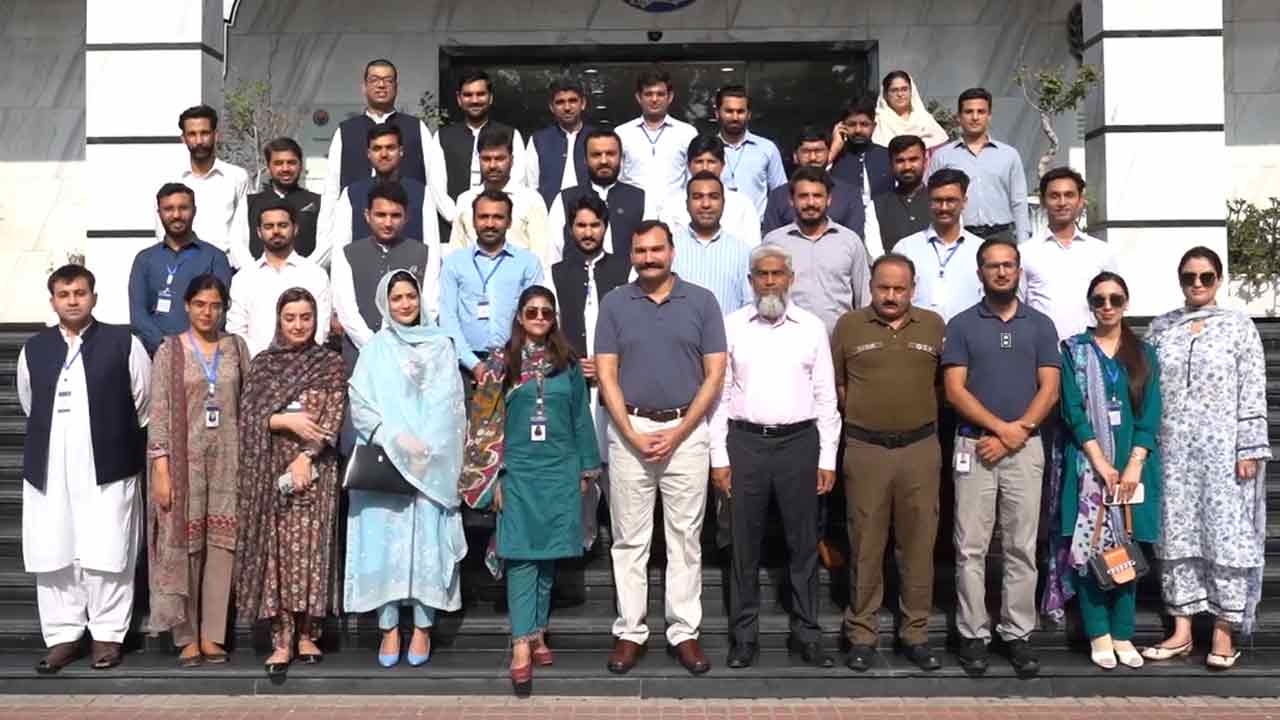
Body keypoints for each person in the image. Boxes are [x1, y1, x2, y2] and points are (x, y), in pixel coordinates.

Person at [596, 221, 727, 676]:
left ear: (672, 252)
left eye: (656, 250)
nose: (649, 258)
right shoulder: (615, 302)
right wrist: (631, 434)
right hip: (630, 428)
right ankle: (630, 631)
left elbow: (715, 373)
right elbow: (607, 374)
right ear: (631, 255)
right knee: (629, 539)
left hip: (686, 431)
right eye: (640, 251)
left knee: (685, 538)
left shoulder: (702, 301)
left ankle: (684, 631)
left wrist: (680, 430)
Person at [1142, 246, 1271, 670]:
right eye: (1189, 277)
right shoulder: (1161, 328)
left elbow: (1252, 389)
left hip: (1223, 452)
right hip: (1173, 450)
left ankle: (1223, 631)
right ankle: (1181, 631)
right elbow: (1146, 388)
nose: (1197, 284)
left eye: (1206, 276)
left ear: (1219, 279)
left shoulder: (1239, 327)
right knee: (1175, 536)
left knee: (1226, 536)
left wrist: (1249, 447)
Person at [710, 244, 838, 670]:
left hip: (799, 443)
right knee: (743, 546)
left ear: (790, 278)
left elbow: (826, 396)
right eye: (761, 275)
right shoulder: (731, 326)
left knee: (802, 544)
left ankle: (807, 634)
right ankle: (744, 638)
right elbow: (719, 397)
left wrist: (827, 457)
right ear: (750, 281)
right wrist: (719, 456)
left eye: (777, 274)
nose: (769, 282)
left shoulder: (812, 327)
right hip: (745, 443)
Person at [19, 265, 150, 674]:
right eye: (64, 294)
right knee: (54, 549)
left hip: (108, 464)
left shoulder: (124, 343)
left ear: (94, 297)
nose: (72, 300)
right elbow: (28, 400)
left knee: (108, 549)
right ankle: (63, 635)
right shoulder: (34, 348)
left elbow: (143, 401)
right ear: (53, 301)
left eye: (80, 292)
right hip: (50, 465)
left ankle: (107, 634)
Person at [473, 287, 601, 695]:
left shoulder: (567, 364)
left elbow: (581, 418)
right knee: (521, 556)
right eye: (532, 311)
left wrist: (587, 468)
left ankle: (539, 632)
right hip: (518, 473)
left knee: (548, 558)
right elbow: (483, 424)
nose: (540, 318)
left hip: (560, 471)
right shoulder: (501, 362)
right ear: (519, 316)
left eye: (547, 312)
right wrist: (492, 477)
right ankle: (520, 644)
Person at [942, 238, 1060, 678]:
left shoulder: (1040, 325)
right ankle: (974, 633)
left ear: (1019, 270)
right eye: (993, 266)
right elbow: (955, 390)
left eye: (1009, 265)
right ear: (980, 273)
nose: (1002, 272)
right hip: (974, 446)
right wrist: (998, 430)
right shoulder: (961, 325)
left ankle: (1017, 633)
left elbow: (1049, 388)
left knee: (1021, 546)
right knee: (970, 547)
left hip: (1025, 447)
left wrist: (1015, 433)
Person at [344, 270, 467, 669]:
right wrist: (396, 439)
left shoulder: (441, 345)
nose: (404, 304)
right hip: (387, 461)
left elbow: (451, 405)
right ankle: (389, 627)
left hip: (431, 463)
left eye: (410, 296)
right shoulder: (375, 349)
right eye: (396, 297)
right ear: (385, 302)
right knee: (386, 545)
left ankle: (423, 626)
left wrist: (426, 446)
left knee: (426, 543)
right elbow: (360, 403)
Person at [1042, 271, 1161, 670]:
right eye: (1099, 300)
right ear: (1090, 305)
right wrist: (1100, 462)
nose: (1107, 307)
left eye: (1115, 299)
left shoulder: (1144, 354)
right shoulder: (1073, 351)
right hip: (1087, 467)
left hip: (1133, 467)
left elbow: (1150, 413)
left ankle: (1123, 633)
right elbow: (1073, 411)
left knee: (1127, 547)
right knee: (1088, 549)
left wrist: (1133, 465)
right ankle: (1099, 634)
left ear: (1126, 303)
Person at [832, 253, 945, 673]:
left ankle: (915, 633)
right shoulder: (849, 326)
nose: (891, 296)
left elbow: (943, 385)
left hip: (920, 448)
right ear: (871, 287)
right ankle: (862, 634)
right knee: (865, 544)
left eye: (900, 288)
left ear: (913, 289)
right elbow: (838, 384)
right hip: (866, 450)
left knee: (918, 545)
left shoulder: (933, 325)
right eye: (883, 287)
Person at [234, 288, 345, 678]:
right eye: (290, 318)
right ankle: (281, 639)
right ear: (279, 320)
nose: (298, 325)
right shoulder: (263, 365)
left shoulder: (329, 364)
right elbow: (248, 417)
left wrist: (306, 456)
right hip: (270, 472)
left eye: (306, 317)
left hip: (316, 470)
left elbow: (333, 416)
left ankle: (308, 634)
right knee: (277, 555)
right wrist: (284, 421)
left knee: (313, 550)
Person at [146, 273, 250, 667]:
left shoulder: (235, 348)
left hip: (228, 460)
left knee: (222, 546)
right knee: (185, 547)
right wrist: (161, 469)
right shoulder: (170, 351)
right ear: (187, 306)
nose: (208, 312)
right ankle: (186, 635)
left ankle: (212, 635)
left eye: (215, 305)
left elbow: (248, 404)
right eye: (200, 305)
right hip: (183, 463)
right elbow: (158, 412)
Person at [320, 59, 437, 260]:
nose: (381, 85)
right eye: (374, 80)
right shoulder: (346, 131)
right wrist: (324, 241)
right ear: (364, 87)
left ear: (396, 87)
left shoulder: (417, 128)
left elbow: (433, 186)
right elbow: (331, 191)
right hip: (358, 230)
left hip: (407, 234)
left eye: (387, 80)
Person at [439, 189, 546, 379]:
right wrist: (473, 364)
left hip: (515, 364)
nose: (490, 224)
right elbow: (448, 319)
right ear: (473, 221)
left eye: (498, 217)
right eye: (483, 217)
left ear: (509, 222)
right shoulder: (454, 263)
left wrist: (512, 359)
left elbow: (533, 317)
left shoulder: (528, 263)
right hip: (464, 366)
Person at [331, 181, 435, 375]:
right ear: (367, 216)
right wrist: (375, 348)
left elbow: (430, 306)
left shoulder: (425, 253)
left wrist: (405, 348)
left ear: (407, 217)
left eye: (395, 215)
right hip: (361, 357)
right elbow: (346, 311)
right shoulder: (347, 254)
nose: (388, 223)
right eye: (380, 215)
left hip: (412, 357)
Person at [760, 166, 871, 335]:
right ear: (791, 200)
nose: (811, 203)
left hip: (839, 340)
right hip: (788, 340)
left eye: (817, 196)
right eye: (803, 196)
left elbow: (864, 298)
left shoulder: (850, 241)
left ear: (829, 200)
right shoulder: (774, 243)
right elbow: (764, 294)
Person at [129, 183, 234, 355]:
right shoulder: (145, 259)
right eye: (168, 209)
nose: (176, 215)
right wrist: (166, 347)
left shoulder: (215, 257)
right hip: (155, 354)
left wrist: (192, 348)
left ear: (194, 211)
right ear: (159, 213)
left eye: (183, 208)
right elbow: (138, 316)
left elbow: (220, 312)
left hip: (202, 355)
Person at [1020, 167, 1119, 341]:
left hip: (1091, 350)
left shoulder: (1102, 252)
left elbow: (1115, 303)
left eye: (1069, 195)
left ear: (1080, 200)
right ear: (1043, 201)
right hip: (1041, 351)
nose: (1062, 202)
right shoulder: (1025, 253)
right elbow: (1017, 307)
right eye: (1054, 196)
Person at [429, 69, 527, 243]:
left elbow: (517, 181)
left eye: (480, 94)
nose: (474, 100)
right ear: (459, 99)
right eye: (468, 95)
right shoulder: (443, 137)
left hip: (500, 231)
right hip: (453, 231)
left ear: (490, 97)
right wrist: (461, 219)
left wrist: (493, 219)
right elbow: (436, 187)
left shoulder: (510, 135)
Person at [324, 123, 439, 269]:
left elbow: (432, 251)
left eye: (390, 148)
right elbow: (340, 252)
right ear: (368, 153)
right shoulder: (351, 194)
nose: (384, 154)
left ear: (401, 151)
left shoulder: (421, 193)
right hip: (363, 276)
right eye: (377, 148)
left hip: (410, 278)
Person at [228, 202, 332, 357]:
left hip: (305, 364)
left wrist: (295, 360)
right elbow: (236, 330)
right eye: (269, 226)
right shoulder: (243, 279)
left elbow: (321, 328)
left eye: (282, 225)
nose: (276, 231)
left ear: (295, 229)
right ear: (259, 232)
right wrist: (263, 361)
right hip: (255, 364)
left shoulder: (315, 275)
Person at [927, 88, 1029, 242]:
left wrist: (1023, 240)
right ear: (959, 117)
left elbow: (1019, 201)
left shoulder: (1009, 155)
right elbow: (931, 199)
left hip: (1001, 235)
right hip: (958, 237)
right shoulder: (942, 156)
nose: (975, 117)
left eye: (981, 112)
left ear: (989, 116)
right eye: (969, 112)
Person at [159, 105, 252, 269]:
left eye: (204, 133)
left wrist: (245, 270)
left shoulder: (237, 177)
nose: (199, 141)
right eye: (192, 134)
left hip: (225, 268)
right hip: (181, 266)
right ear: (183, 139)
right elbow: (162, 230)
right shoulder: (169, 179)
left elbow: (245, 231)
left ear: (216, 135)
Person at [450, 125, 553, 272]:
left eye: (499, 159)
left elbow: (541, 259)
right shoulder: (465, 200)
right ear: (478, 160)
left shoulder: (531, 200)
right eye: (486, 159)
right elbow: (455, 255)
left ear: (511, 160)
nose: (492, 165)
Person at [548, 129, 652, 264]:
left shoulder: (640, 198)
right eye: (596, 155)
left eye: (610, 154)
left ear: (621, 158)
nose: (604, 161)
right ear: (585, 159)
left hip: (629, 277)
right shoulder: (565, 199)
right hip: (575, 276)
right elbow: (552, 254)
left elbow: (650, 247)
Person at [893, 169, 983, 323]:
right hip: (918, 333)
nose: (944, 207)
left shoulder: (981, 250)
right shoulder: (906, 249)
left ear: (964, 202)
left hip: (968, 334)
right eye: (937, 200)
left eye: (951, 200)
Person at [670, 171, 753, 316]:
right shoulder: (669, 248)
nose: (706, 204)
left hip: (727, 330)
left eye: (713, 197)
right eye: (697, 197)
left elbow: (749, 305)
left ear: (723, 203)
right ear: (687, 204)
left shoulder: (742, 251)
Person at [657, 134, 761, 247]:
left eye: (711, 162)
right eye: (699, 162)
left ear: (722, 165)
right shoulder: (671, 205)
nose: (705, 168)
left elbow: (753, 248)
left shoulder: (742, 204)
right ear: (689, 165)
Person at [762, 127, 864, 238]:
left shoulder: (849, 194)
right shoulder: (778, 196)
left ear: (829, 153)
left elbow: (855, 239)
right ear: (795, 156)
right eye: (806, 152)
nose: (813, 158)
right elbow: (771, 240)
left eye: (819, 151)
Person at [616, 68, 699, 203]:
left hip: (675, 211)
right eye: (648, 94)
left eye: (660, 94)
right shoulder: (622, 133)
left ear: (669, 97)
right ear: (639, 97)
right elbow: (617, 178)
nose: (654, 99)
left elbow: (692, 177)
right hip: (633, 210)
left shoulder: (687, 133)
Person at [713, 85, 787, 219]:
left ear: (749, 114)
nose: (735, 117)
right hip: (716, 228)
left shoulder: (767, 149)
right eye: (729, 111)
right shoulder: (707, 150)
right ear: (717, 113)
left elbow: (781, 195)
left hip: (758, 228)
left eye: (740, 111)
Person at [247, 137, 322, 262]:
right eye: (278, 163)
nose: (285, 169)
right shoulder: (249, 203)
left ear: (301, 165)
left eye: (291, 162)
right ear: (268, 167)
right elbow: (238, 244)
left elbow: (327, 243)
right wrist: (255, 270)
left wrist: (306, 269)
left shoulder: (319, 203)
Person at [525, 78, 595, 208]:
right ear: (552, 107)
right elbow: (531, 187)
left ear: (583, 103)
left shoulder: (597, 138)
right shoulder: (538, 140)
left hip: (591, 212)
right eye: (560, 102)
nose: (567, 107)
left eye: (572, 101)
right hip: (549, 212)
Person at [827, 96, 894, 203]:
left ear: (873, 126)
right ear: (842, 126)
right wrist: (834, 148)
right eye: (852, 124)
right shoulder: (834, 157)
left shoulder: (888, 156)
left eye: (864, 124)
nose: (858, 130)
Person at [872, 135, 932, 253]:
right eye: (900, 161)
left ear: (925, 162)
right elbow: (874, 252)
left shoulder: (941, 202)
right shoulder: (876, 206)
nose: (907, 167)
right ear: (890, 165)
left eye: (913, 159)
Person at [871, 71, 950, 150]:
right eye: (894, 90)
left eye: (904, 89)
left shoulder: (925, 118)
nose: (900, 94)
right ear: (885, 94)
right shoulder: (879, 121)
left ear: (911, 91)